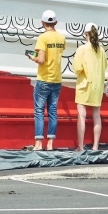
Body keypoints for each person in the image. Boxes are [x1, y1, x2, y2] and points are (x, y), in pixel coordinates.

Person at [28, 9, 66, 151]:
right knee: (53, 111)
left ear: (42, 22)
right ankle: (50, 144)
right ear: (55, 22)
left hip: (44, 79)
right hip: (57, 80)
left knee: (39, 111)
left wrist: (33, 57)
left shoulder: (42, 38)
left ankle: (38, 143)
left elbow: (42, 60)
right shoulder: (62, 38)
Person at [72, 22, 107, 151]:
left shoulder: (82, 49)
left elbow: (77, 68)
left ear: (86, 34)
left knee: (81, 115)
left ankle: (80, 146)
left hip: (84, 85)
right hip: (97, 86)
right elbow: (104, 67)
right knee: (96, 116)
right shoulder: (102, 50)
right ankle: (95, 146)